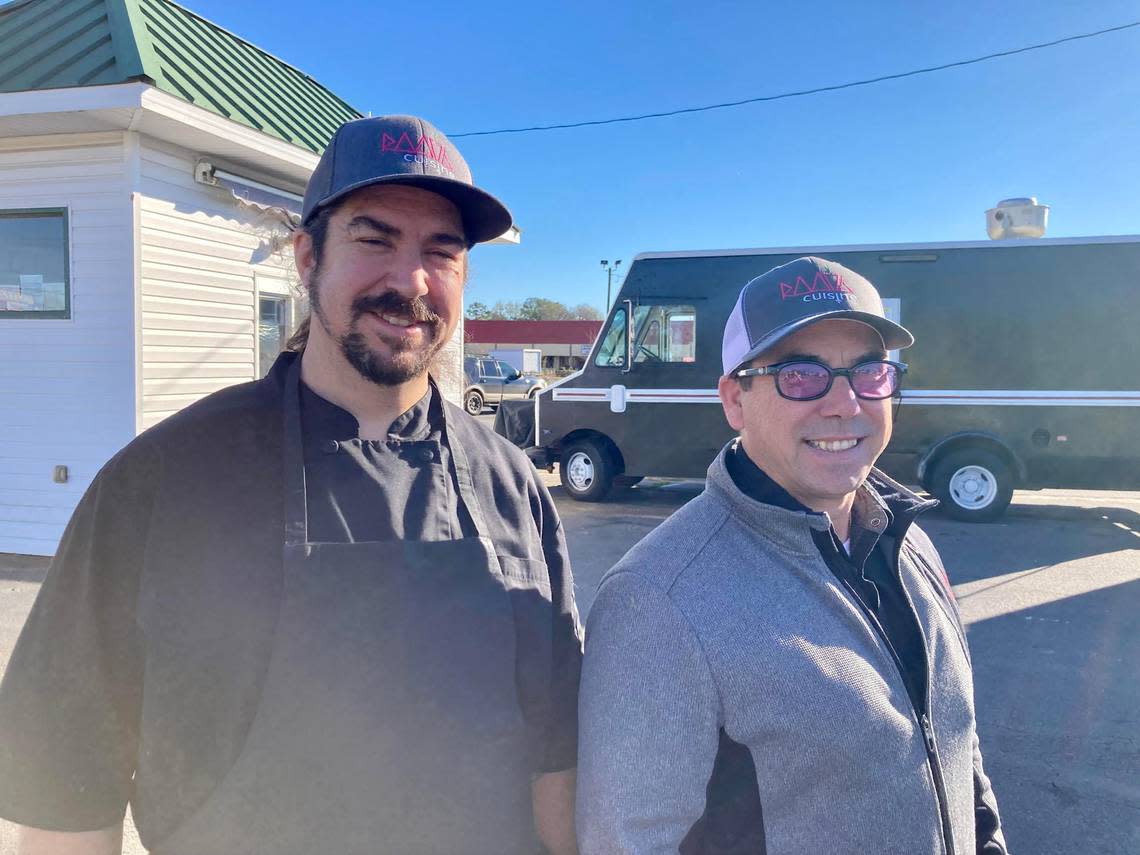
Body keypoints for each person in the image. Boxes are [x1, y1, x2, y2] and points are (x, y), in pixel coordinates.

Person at [0, 115, 582, 855]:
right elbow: (65, 787)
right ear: (307, 257)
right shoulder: (160, 484)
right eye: (374, 240)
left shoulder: (514, 492)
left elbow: (556, 763)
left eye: (443, 252)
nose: (411, 281)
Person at [577, 257, 1006, 854]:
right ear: (735, 400)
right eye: (801, 375)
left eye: (869, 372)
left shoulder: (908, 541)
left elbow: (956, 742)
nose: (844, 403)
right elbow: (627, 842)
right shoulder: (657, 602)